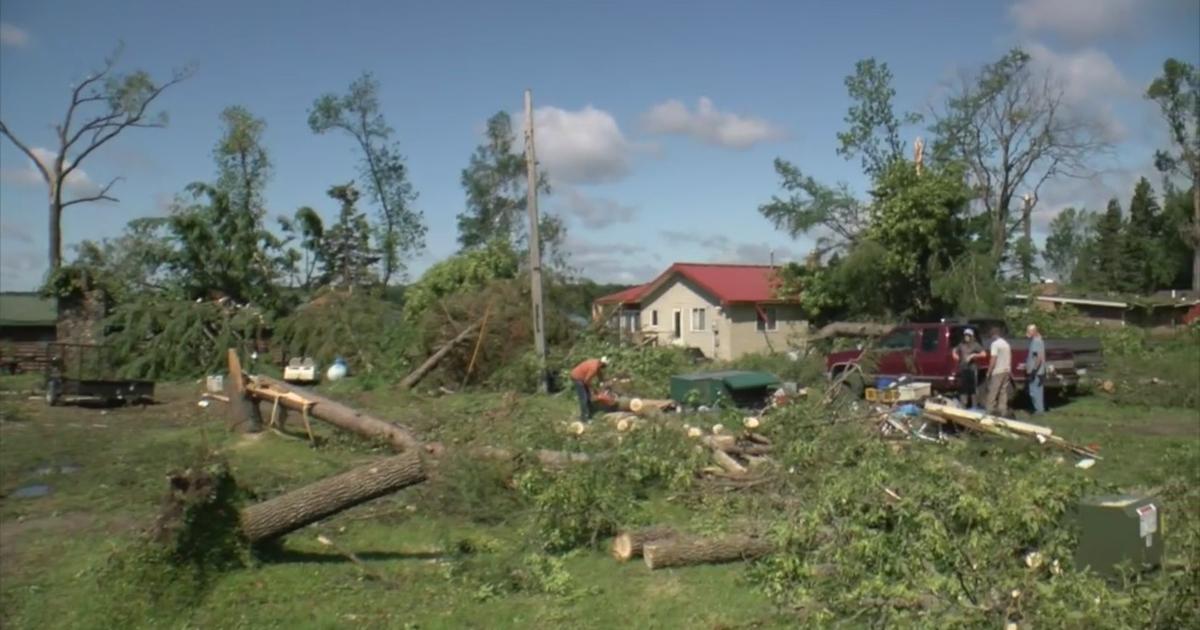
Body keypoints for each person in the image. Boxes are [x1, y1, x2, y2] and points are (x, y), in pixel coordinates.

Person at [951, 328, 985, 408]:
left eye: (968, 335)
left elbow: (984, 354)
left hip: (972, 369)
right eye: (965, 335)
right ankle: (963, 404)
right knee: (963, 388)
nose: (966, 337)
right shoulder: (961, 344)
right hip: (963, 368)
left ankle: (974, 405)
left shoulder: (975, 345)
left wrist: (973, 355)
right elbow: (954, 350)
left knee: (973, 388)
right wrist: (954, 354)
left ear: (971, 336)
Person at [984, 327, 1013, 417]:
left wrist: (989, 371)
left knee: (993, 391)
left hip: (998, 371)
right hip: (1006, 370)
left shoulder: (995, 344)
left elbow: (993, 358)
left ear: (993, 335)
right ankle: (1002, 410)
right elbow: (1010, 357)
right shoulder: (1006, 344)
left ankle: (989, 411)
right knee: (1003, 391)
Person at [569, 356, 608, 422]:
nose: (603, 368)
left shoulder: (596, 362)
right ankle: (584, 418)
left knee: (588, 396)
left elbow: (599, 373)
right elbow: (586, 381)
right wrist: (594, 389)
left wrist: (602, 381)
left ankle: (589, 413)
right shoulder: (593, 368)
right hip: (577, 377)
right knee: (584, 398)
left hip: (582, 378)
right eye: (604, 366)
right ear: (602, 364)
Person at [1025, 324, 1046, 415]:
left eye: (1028, 331)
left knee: (1034, 391)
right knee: (1037, 390)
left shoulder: (1036, 341)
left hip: (1036, 372)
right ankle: (1039, 409)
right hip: (1039, 371)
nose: (1027, 333)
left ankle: (1038, 410)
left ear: (1034, 331)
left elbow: (1039, 357)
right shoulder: (1038, 340)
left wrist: (1033, 370)